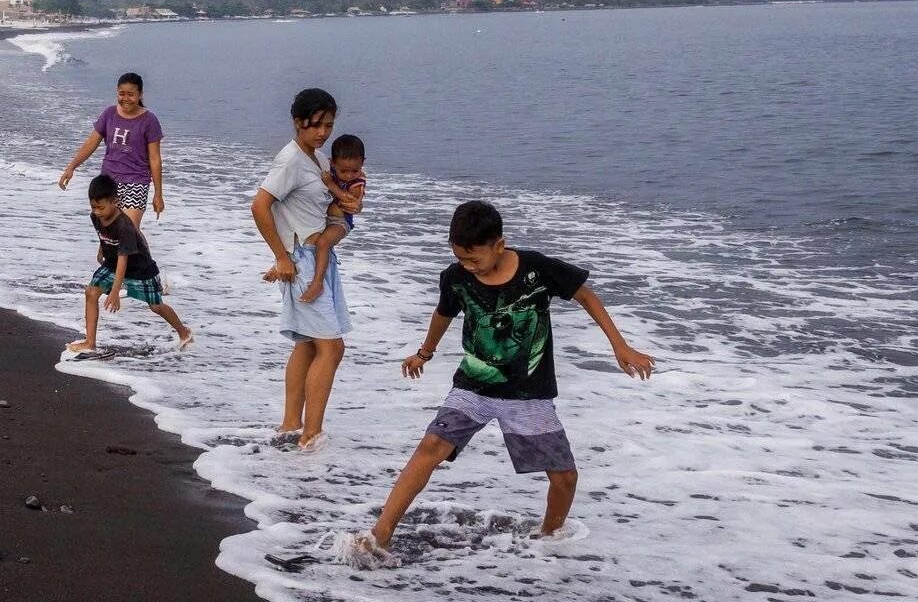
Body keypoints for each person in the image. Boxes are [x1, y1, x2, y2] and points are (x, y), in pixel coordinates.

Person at [349, 199, 654, 562]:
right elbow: (443, 314)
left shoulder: (537, 269)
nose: (468, 266)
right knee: (430, 446)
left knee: (565, 478)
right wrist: (423, 353)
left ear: (500, 245)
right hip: (473, 386)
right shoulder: (456, 277)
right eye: (461, 257)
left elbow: (586, 295)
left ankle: (551, 539)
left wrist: (620, 346)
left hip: (528, 393)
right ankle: (380, 534)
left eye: (474, 258)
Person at [250, 87, 348, 452]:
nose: (323, 132)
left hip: (318, 259)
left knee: (308, 344)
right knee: (332, 347)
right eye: (316, 124)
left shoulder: (319, 160)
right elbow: (259, 206)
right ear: (297, 122)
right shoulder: (290, 160)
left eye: (329, 125)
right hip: (301, 260)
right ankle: (312, 432)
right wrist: (281, 257)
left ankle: (292, 424)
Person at [67, 174, 192, 354]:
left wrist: (115, 292)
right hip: (113, 262)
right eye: (93, 207)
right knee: (91, 292)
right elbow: (103, 234)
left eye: (101, 207)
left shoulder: (124, 226)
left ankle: (183, 332)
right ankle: (90, 342)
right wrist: (101, 250)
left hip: (140, 269)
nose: (97, 212)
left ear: (115, 202)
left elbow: (124, 259)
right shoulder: (95, 216)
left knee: (156, 306)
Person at [57, 72, 165, 226]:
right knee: (109, 233)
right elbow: (91, 143)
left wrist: (158, 194)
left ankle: (142, 251)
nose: (125, 99)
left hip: (136, 181)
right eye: (121, 94)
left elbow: (155, 159)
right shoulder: (109, 114)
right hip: (109, 181)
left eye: (131, 94)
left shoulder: (149, 120)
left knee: (129, 230)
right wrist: (71, 167)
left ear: (140, 94)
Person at [300, 133, 367, 305]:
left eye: (355, 170)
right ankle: (278, 264)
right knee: (298, 235)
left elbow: (350, 201)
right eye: (343, 171)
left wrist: (330, 185)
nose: (349, 175)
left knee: (323, 243)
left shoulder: (358, 182)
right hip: (322, 216)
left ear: (362, 163)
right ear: (332, 163)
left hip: (340, 222)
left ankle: (317, 283)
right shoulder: (326, 167)